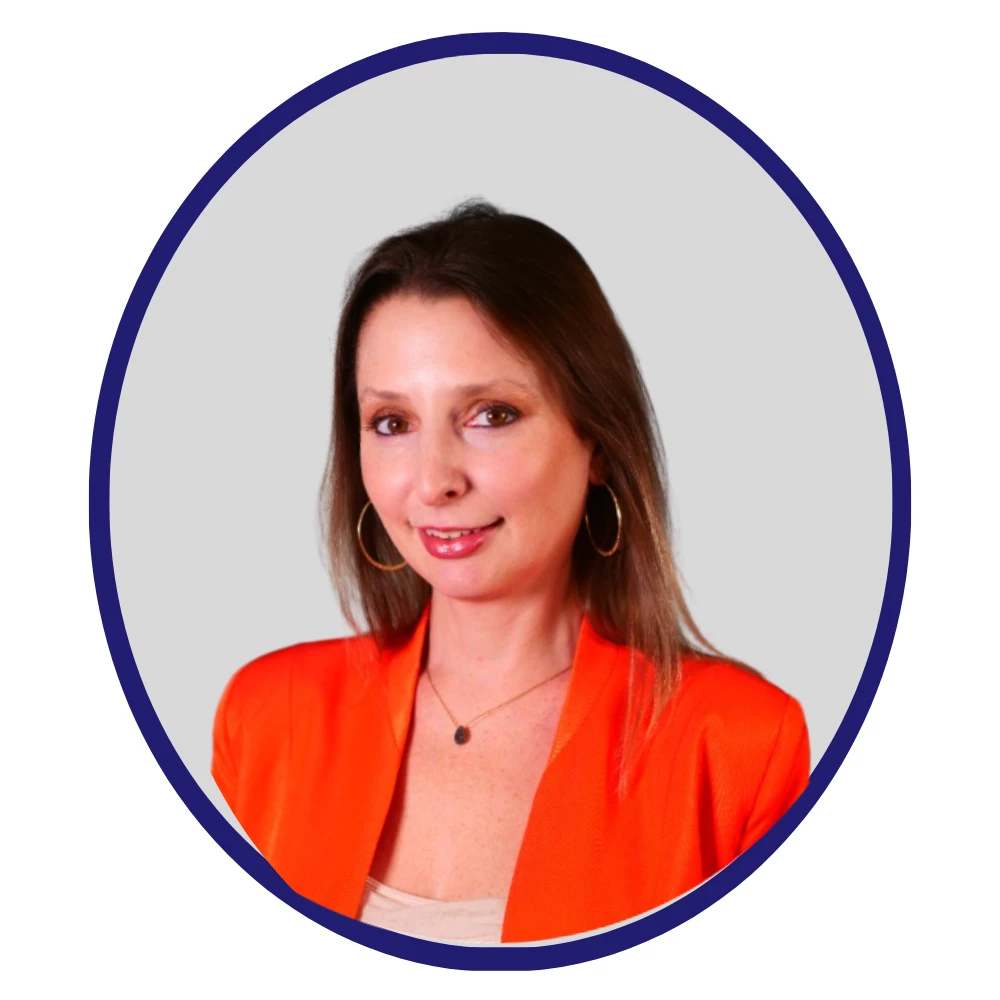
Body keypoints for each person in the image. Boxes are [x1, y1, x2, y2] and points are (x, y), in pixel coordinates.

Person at [212, 200, 810, 945]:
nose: (433, 481)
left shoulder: (737, 748)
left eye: (490, 414)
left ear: (596, 439)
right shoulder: (267, 720)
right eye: (392, 423)